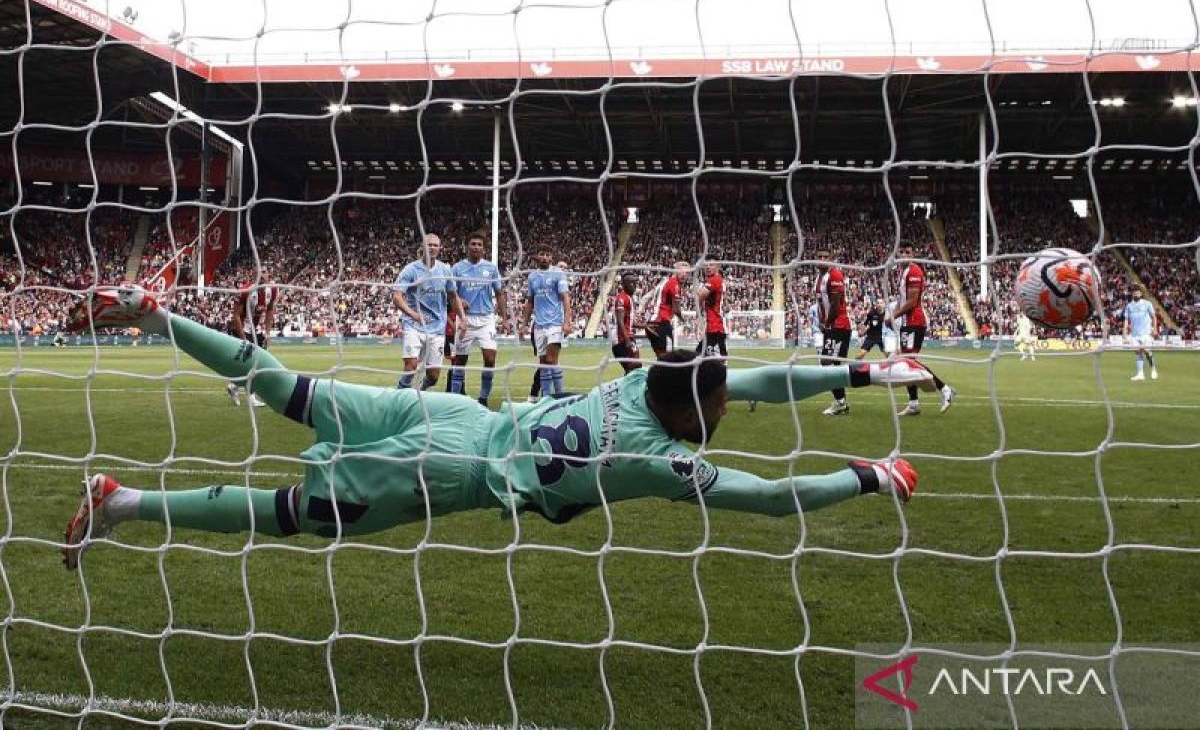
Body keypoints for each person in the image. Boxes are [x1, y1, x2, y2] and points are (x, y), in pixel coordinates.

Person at [61, 285, 931, 570]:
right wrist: (874, 473)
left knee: (287, 389)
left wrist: (862, 370)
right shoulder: (661, 461)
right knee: (293, 513)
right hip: (448, 474)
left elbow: (766, 378)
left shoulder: (640, 388)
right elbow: (777, 500)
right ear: (694, 413)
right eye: (723, 402)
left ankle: (155, 317)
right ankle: (122, 501)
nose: (731, 406)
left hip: (449, 410)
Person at [885, 241, 955, 416]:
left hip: (914, 322)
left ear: (912, 254)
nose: (905, 255)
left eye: (908, 252)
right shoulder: (903, 273)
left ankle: (945, 389)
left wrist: (894, 315)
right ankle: (914, 404)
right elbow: (902, 300)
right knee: (906, 363)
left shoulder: (914, 271)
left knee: (909, 362)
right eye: (902, 252)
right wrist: (891, 315)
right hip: (908, 323)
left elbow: (912, 302)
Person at [392, 234, 464, 390]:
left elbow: (453, 296)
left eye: (435, 245)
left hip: (437, 328)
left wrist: (463, 319)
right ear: (422, 247)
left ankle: (419, 391)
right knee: (410, 366)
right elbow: (397, 297)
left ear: (440, 248)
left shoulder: (445, 270)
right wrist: (413, 315)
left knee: (433, 377)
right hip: (414, 325)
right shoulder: (411, 270)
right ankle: (399, 395)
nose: (432, 248)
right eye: (429, 244)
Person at [448, 232, 507, 404]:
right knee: (460, 360)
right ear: (467, 246)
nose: (476, 247)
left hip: (486, 320)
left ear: (484, 249)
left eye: (479, 245)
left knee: (490, 359)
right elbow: (450, 294)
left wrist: (504, 318)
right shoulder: (457, 268)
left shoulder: (491, 268)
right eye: (473, 244)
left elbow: (499, 293)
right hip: (465, 319)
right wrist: (459, 301)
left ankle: (483, 398)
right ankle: (454, 399)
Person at [518, 245, 571, 398]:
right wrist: (524, 325)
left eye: (548, 255)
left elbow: (565, 298)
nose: (545, 257)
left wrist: (567, 322)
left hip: (555, 324)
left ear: (551, 257)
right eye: (542, 254)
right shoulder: (532, 277)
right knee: (543, 364)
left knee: (551, 360)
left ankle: (559, 396)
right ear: (537, 256)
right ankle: (548, 398)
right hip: (539, 325)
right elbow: (530, 302)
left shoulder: (558, 274)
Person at [226, 271, 278, 408]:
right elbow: (236, 315)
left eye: (265, 272)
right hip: (244, 329)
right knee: (252, 363)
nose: (262, 275)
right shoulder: (246, 290)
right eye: (260, 271)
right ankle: (251, 397)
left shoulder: (272, 290)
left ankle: (234, 386)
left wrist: (267, 332)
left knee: (257, 363)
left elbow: (270, 310)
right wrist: (243, 338)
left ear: (269, 276)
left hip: (258, 330)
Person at [815, 251, 852, 416]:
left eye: (825, 257)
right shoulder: (819, 278)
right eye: (819, 257)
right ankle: (841, 402)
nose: (822, 260)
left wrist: (827, 323)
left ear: (831, 260)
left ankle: (840, 402)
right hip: (832, 327)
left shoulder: (834, 274)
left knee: (827, 362)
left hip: (838, 326)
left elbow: (836, 304)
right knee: (835, 365)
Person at [641, 262, 689, 360]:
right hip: (661, 323)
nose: (685, 275)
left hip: (651, 324)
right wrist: (683, 320)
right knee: (669, 359)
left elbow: (646, 297)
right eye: (682, 272)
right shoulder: (674, 284)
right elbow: (676, 310)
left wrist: (641, 312)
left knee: (661, 358)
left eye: (687, 273)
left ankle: (658, 374)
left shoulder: (663, 282)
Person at [1122, 286, 1159, 381]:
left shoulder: (1147, 304)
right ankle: (1140, 374)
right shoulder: (1129, 306)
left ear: (1141, 294)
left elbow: (1154, 317)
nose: (1136, 293)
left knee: (1147, 351)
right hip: (1134, 334)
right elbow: (1126, 320)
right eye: (1134, 292)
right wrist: (1124, 332)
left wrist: (1155, 330)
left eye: (1137, 292)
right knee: (1138, 352)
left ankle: (1153, 369)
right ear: (1132, 294)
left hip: (1146, 333)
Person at [609, 273, 641, 374]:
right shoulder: (622, 298)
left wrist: (645, 326)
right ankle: (627, 387)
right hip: (621, 338)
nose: (634, 285)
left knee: (634, 367)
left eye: (635, 283)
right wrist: (627, 340)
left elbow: (629, 322)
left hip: (626, 335)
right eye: (631, 283)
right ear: (624, 285)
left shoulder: (629, 298)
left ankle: (628, 387)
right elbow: (620, 321)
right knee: (634, 366)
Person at [696, 263, 726, 358]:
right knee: (717, 356)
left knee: (700, 355)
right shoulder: (718, 282)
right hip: (715, 326)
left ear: (717, 267)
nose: (708, 267)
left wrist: (698, 291)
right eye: (706, 265)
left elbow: (700, 296)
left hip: (715, 327)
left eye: (711, 265)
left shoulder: (714, 280)